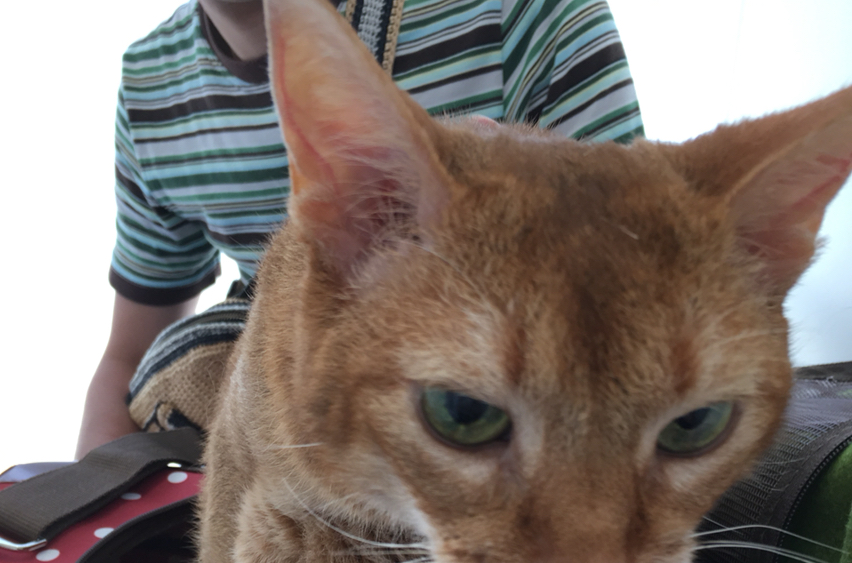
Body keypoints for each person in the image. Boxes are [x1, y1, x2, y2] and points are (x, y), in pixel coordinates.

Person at [75, 0, 644, 457]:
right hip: (281, 439)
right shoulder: (149, 84)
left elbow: (627, 311)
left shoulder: (523, 14)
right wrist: (90, 510)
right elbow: (128, 356)